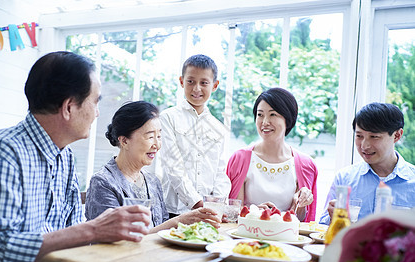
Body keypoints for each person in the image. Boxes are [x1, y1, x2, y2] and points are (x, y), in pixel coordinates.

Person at [0, 51, 152, 262]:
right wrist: (93, 230)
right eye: (95, 102)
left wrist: (109, 232)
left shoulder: (65, 158)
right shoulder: (2, 151)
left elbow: (74, 239)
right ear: (69, 107)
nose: (97, 113)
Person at [85, 101, 221, 230]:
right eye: (150, 137)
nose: (157, 145)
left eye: (159, 136)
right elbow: (114, 240)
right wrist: (178, 221)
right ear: (124, 141)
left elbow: (160, 230)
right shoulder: (103, 182)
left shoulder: (153, 182)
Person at [226, 88, 318, 222]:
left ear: (288, 118)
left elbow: (303, 221)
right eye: (260, 114)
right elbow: (230, 215)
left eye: (273, 114)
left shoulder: (306, 164)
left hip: (286, 241)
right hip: (246, 239)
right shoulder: (239, 159)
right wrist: (254, 213)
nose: (264, 122)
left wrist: (301, 203)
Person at [159, 54, 231, 218]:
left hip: (209, 212)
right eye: (191, 81)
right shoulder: (167, 118)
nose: (196, 88)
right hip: (173, 211)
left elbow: (220, 173)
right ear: (181, 81)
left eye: (204, 82)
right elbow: (173, 166)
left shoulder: (219, 128)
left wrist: (217, 205)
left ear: (214, 85)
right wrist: (198, 204)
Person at [319, 102, 415, 225]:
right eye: (359, 136)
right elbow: (322, 229)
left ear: (396, 135)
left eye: (374, 137)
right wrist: (333, 219)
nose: (364, 145)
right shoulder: (344, 178)